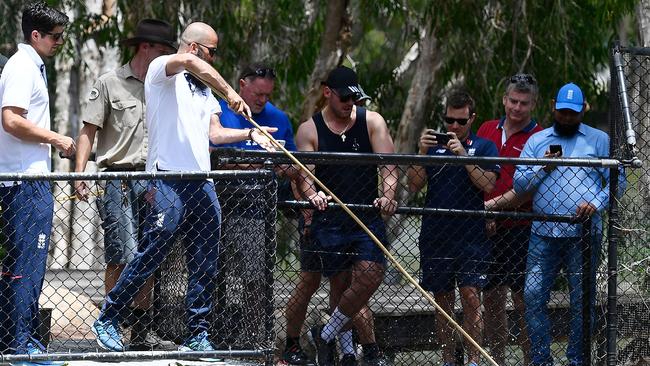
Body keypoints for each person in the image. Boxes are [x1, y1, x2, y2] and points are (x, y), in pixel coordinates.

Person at [91, 21, 275, 353]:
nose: (214, 60)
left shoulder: (205, 90)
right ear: (193, 47)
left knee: (205, 260)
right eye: (212, 52)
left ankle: (197, 335)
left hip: (200, 181)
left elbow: (215, 135)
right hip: (166, 178)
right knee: (153, 252)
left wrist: (252, 135)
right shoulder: (163, 69)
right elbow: (190, 64)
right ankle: (109, 316)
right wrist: (231, 92)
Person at [74, 19, 177, 351]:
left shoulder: (165, 84)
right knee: (121, 254)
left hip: (153, 178)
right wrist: (79, 175)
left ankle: (142, 330)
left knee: (148, 255)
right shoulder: (110, 82)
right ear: (144, 47)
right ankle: (111, 324)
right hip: (116, 177)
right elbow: (88, 131)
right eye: (162, 51)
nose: (165, 58)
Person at [294, 65, 397, 366]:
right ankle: (346, 352)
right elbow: (305, 174)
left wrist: (388, 194)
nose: (350, 103)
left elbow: (389, 165)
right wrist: (312, 195)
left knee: (371, 274)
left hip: (366, 215)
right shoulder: (309, 129)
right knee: (339, 284)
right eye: (344, 98)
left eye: (355, 98)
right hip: (331, 218)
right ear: (328, 93)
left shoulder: (372, 122)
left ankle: (325, 333)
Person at [514, 83, 614, 366]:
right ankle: (541, 360)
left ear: (584, 109)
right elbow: (519, 183)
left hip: (583, 234)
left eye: (572, 113)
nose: (567, 118)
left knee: (582, 301)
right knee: (533, 296)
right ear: (552, 107)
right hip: (543, 233)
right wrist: (541, 166)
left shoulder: (599, 140)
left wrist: (594, 203)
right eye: (562, 112)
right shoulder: (537, 141)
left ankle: (577, 360)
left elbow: (615, 184)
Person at [0, 1, 74, 364]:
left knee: (23, 263)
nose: (60, 42)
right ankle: (22, 346)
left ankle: (15, 342)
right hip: (25, 182)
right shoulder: (22, 67)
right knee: (27, 264)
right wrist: (55, 138)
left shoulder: (30, 66)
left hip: (30, 180)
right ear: (35, 35)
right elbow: (11, 120)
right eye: (56, 37)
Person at [407, 89, 499, 366]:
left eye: (460, 121)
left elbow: (488, 184)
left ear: (472, 118)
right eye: (449, 121)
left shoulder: (484, 147)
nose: (454, 127)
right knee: (443, 302)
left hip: (472, 235)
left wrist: (463, 157)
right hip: (436, 234)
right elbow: (412, 185)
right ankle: (448, 358)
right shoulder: (433, 146)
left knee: (471, 297)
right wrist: (421, 152)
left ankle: (473, 359)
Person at [476, 73, 542, 365]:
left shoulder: (540, 137)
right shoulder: (486, 129)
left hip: (521, 229)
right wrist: (482, 211)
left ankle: (530, 360)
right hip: (486, 229)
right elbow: (474, 174)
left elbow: (530, 188)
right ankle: (497, 359)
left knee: (524, 300)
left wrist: (493, 208)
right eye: (512, 101)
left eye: (523, 103)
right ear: (504, 100)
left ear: (533, 104)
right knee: (491, 299)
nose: (516, 108)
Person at [214, 62, 296, 150]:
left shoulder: (280, 119)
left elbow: (293, 160)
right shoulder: (218, 114)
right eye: (258, 94)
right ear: (242, 85)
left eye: (268, 95)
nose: (263, 100)